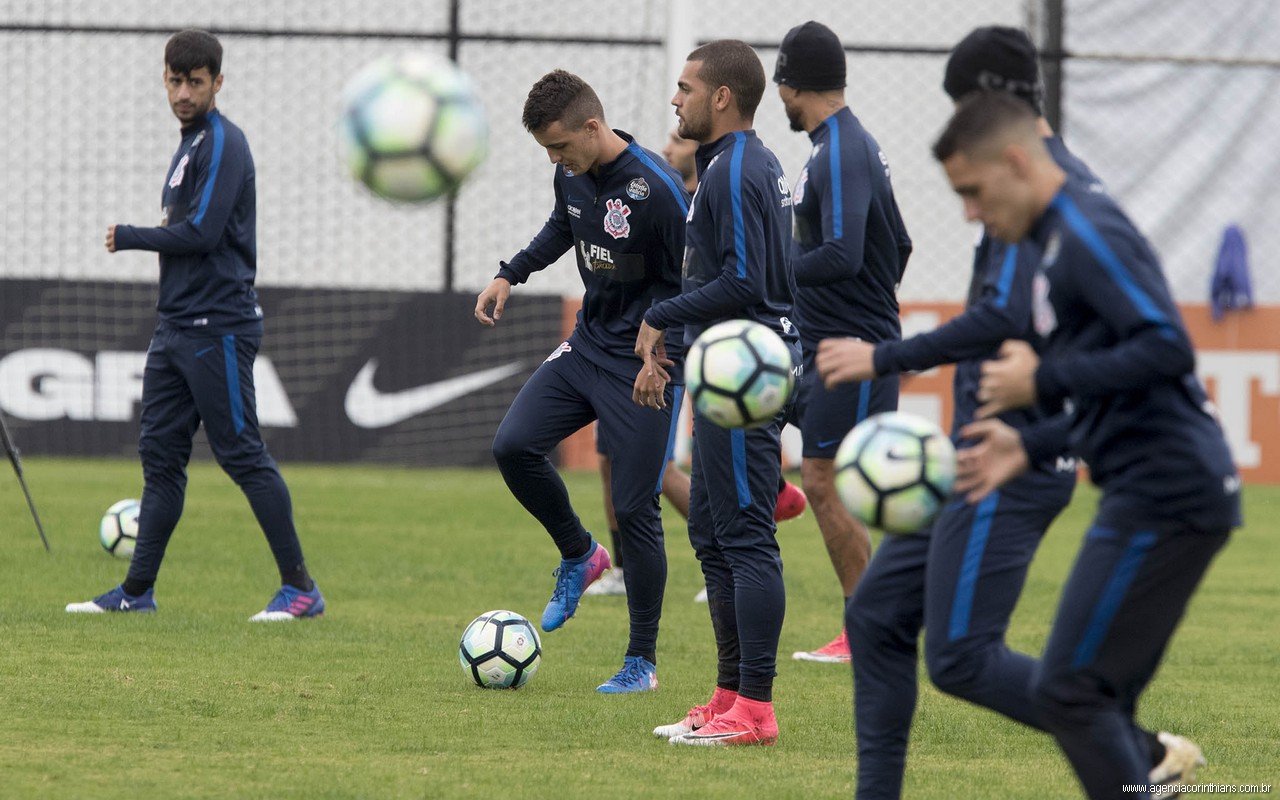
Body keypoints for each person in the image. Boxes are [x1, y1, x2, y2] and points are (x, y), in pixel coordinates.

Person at [818, 28, 1207, 799]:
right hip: (977, 451)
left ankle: (1137, 748)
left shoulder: (1051, 191)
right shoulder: (1031, 179)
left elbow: (1003, 314)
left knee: (963, 656)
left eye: (964, 104)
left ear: (993, 100)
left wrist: (884, 355)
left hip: (1017, 458)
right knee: (876, 618)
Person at [933, 92, 1240, 799]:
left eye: (972, 192)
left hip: (1170, 492)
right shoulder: (1051, 241)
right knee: (1083, 697)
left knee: (1071, 691)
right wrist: (1031, 442)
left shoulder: (1086, 230)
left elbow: (1168, 347)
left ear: (1014, 162)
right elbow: (1113, 397)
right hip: (1145, 490)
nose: (970, 214)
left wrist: (1045, 376)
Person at [66, 29, 323, 621]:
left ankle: (301, 589)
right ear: (164, 79)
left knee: (242, 455)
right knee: (159, 460)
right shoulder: (189, 146)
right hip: (176, 328)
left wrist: (129, 235)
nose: (183, 92)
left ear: (217, 83)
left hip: (219, 327)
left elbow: (204, 234)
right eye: (175, 80)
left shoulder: (225, 143)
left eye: (196, 82)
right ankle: (136, 593)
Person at [477, 70, 690, 694]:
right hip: (587, 348)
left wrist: (660, 354)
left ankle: (640, 662)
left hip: (644, 368)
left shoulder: (659, 191)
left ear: (593, 128)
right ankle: (580, 553)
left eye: (561, 145)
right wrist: (509, 274)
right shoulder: (570, 174)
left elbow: (693, 283)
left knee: (635, 508)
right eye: (547, 149)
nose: (555, 158)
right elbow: (562, 228)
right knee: (512, 446)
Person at [637, 39, 797, 747]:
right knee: (710, 533)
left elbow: (745, 284)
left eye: (685, 88)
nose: (676, 101)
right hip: (722, 368)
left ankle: (755, 710)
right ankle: (728, 695)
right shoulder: (732, 165)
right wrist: (676, 343)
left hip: (743, 376)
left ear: (722, 97)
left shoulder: (734, 170)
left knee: (744, 537)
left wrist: (660, 316)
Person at [589, 128, 805, 601]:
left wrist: (661, 316)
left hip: (680, 351)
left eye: (678, 142)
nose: (669, 146)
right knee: (610, 456)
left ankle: (747, 532)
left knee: (657, 467)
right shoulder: (692, 188)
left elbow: (740, 279)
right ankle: (628, 566)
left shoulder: (722, 183)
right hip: (630, 343)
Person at [773, 21, 912, 664]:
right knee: (825, 477)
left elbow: (842, 252)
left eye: (781, 85)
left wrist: (780, 271)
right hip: (828, 342)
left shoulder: (842, 150)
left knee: (826, 480)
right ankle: (873, 623)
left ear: (794, 84)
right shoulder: (839, 146)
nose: (779, 98)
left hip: (849, 349)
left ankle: (870, 629)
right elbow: (900, 244)